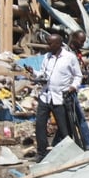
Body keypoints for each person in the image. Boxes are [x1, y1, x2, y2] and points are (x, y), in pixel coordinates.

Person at [33, 34, 82, 162]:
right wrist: (33, 73)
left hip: (60, 97)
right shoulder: (47, 57)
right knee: (40, 124)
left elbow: (78, 76)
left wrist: (73, 87)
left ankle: (67, 152)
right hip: (45, 96)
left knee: (64, 127)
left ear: (58, 44)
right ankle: (41, 152)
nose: (47, 46)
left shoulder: (69, 57)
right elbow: (43, 74)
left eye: (50, 44)